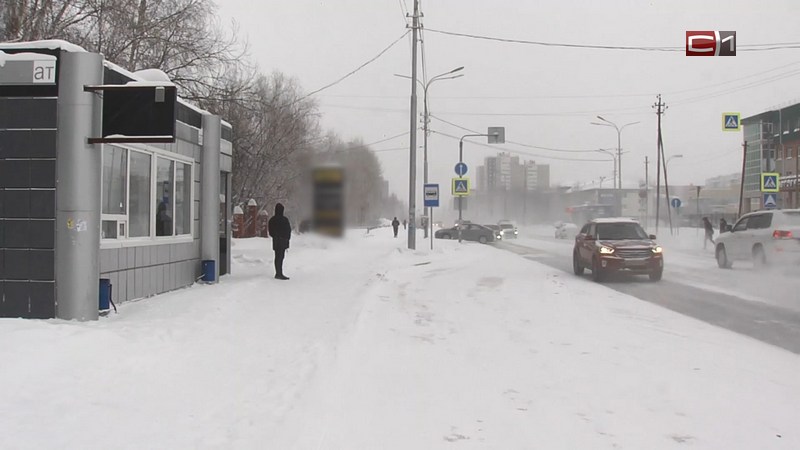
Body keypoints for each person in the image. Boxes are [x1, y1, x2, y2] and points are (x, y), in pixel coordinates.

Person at [268, 203, 291, 280]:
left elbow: (270, 231)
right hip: (283, 241)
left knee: (277, 257)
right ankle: (279, 273)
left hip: (276, 241)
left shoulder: (272, 220)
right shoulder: (285, 220)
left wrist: (275, 236)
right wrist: (286, 239)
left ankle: (278, 272)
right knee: (281, 257)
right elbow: (288, 230)